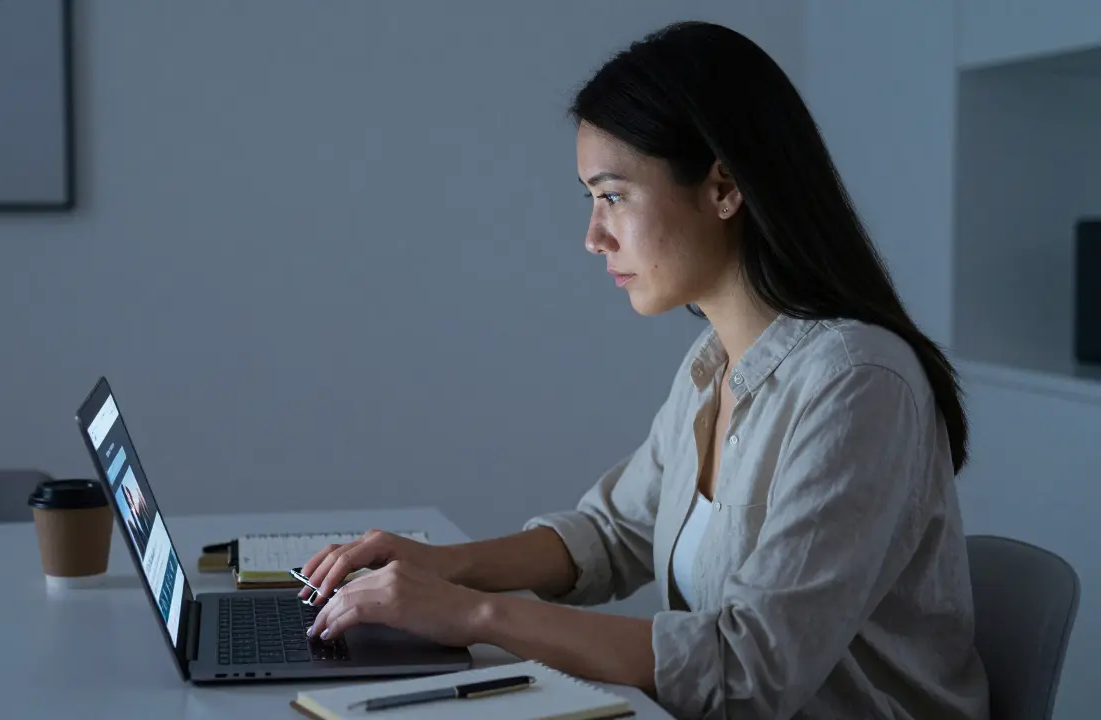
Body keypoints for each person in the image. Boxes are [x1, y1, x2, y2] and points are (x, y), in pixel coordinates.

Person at [299, 20, 989, 720]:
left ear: (723, 187)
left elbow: (750, 671)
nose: (594, 237)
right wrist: (440, 567)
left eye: (613, 196)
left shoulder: (857, 382)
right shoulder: (713, 362)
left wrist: (472, 614)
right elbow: (612, 534)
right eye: (591, 199)